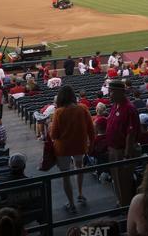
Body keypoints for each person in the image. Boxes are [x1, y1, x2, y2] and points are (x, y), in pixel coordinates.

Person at [50, 85, 95, 213]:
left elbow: (54, 135)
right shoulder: (83, 108)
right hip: (80, 146)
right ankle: (80, 193)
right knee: (79, 168)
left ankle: (71, 203)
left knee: (66, 176)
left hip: (63, 149)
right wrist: (91, 145)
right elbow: (91, 130)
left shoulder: (59, 112)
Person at [106, 79, 140, 207]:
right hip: (113, 150)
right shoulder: (115, 105)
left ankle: (125, 208)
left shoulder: (129, 109)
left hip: (122, 152)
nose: (109, 94)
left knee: (123, 181)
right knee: (117, 179)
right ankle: (121, 201)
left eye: (111, 92)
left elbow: (130, 134)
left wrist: (126, 155)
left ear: (120, 92)